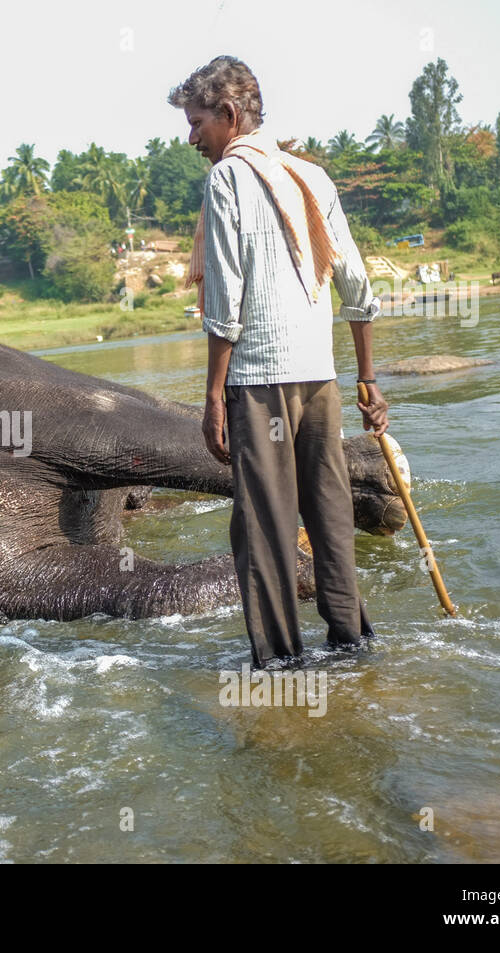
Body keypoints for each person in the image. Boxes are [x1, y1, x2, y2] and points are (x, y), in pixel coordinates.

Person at [169, 56, 389, 667]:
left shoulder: (227, 180)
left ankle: (282, 662)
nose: (192, 138)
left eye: (197, 123)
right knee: (330, 515)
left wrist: (213, 397)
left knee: (263, 530)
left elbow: (225, 302)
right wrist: (367, 379)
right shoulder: (311, 176)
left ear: (230, 115)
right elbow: (358, 286)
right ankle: (353, 644)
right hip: (320, 378)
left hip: (260, 382)